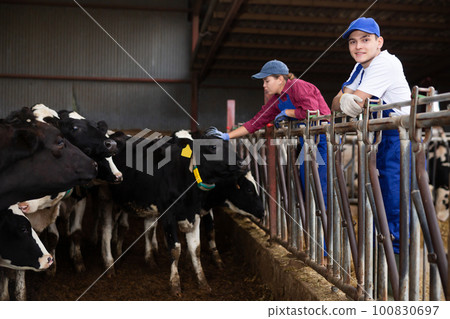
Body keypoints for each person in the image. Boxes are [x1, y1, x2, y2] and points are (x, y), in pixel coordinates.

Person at [331, 17, 411, 254]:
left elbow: (356, 101)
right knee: (378, 198)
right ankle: (383, 266)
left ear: (379, 42)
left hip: (398, 137)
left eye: (365, 40)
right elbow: (335, 103)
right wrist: (346, 98)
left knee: (393, 200)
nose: (358, 47)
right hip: (380, 137)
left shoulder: (385, 63)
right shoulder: (360, 67)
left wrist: (348, 97)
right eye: (353, 42)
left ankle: (397, 273)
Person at [210, 59, 331, 206]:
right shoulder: (277, 99)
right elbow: (256, 121)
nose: (264, 85)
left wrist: (288, 112)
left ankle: (324, 221)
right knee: (305, 181)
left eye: (267, 81)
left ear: (280, 79)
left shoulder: (298, 86)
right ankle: (314, 221)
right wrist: (227, 136)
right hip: (306, 140)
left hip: (323, 138)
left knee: (319, 182)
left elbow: (311, 112)